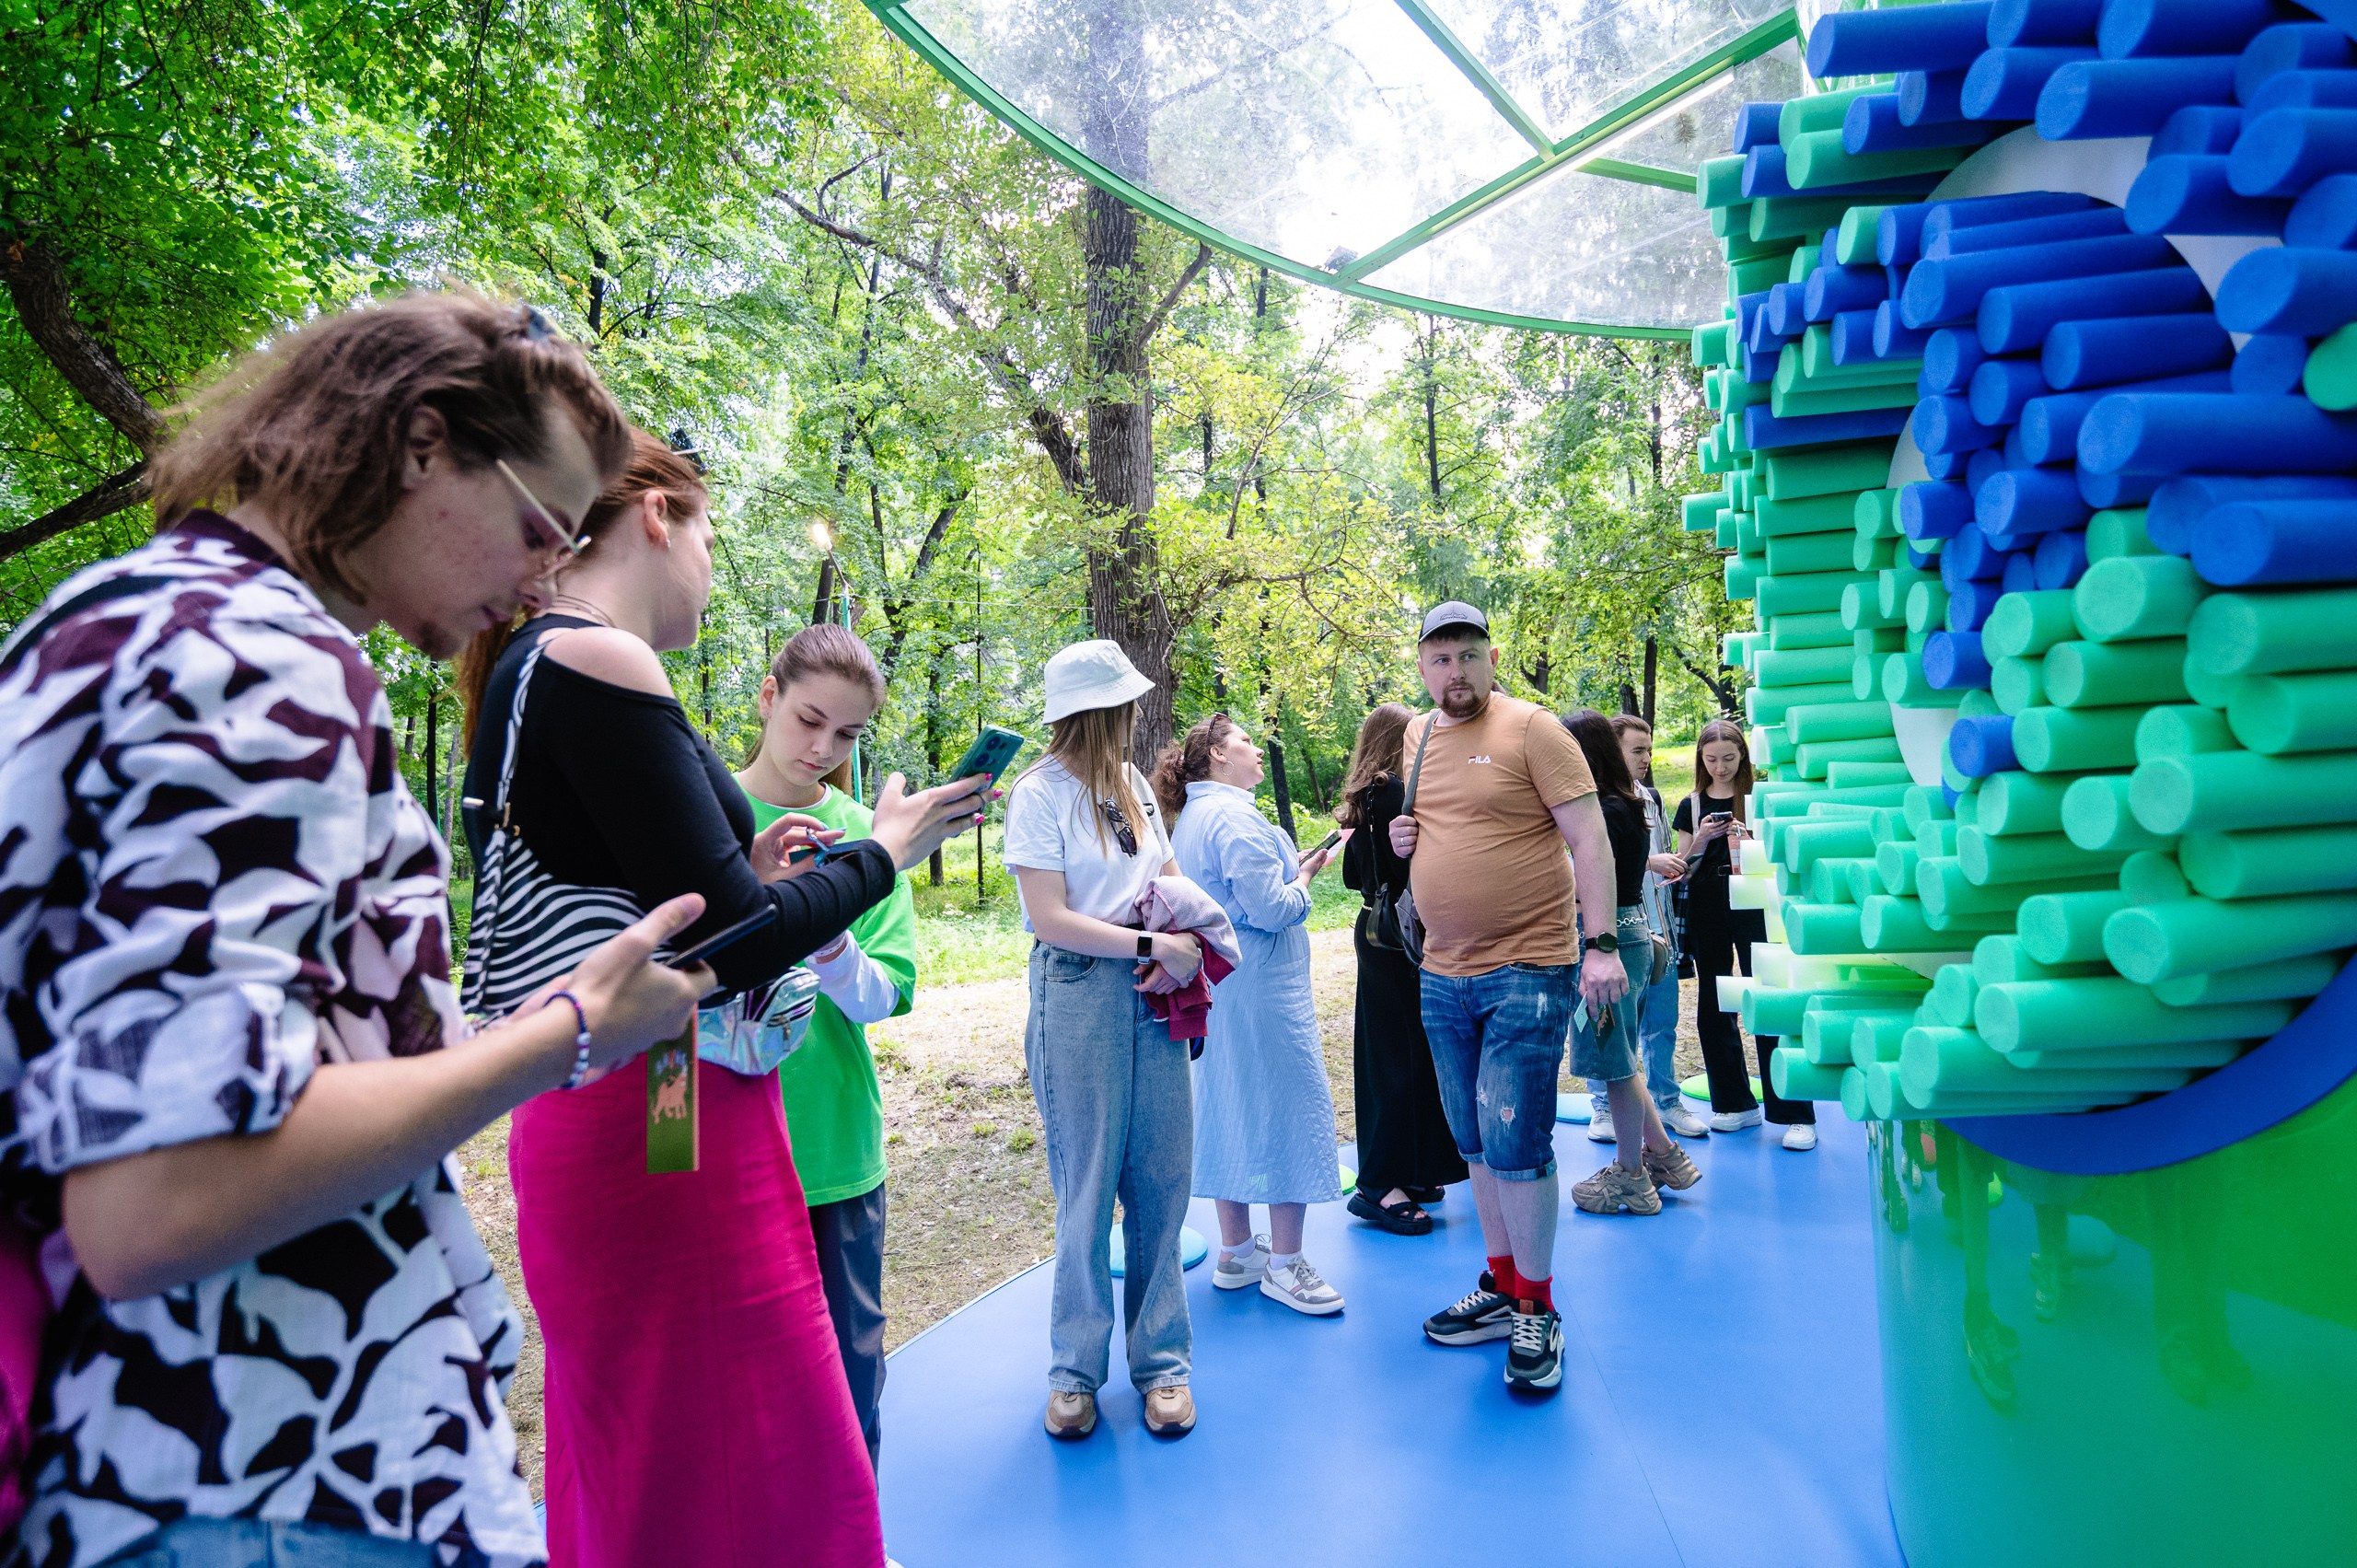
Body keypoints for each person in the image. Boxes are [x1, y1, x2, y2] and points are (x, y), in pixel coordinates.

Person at [0, 293, 715, 1568]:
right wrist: (571, 1029)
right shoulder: (261, 659)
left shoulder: (110, 618)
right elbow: (162, 1194)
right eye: (539, 527)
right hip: (264, 1468)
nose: (543, 575)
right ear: (425, 440)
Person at [457, 432, 986, 1568]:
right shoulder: (599, 658)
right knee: (737, 1458)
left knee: (676, 1455)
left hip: (652, 1099)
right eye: (708, 529)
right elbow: (739, 945)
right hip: (661, 1113)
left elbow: (687, 907)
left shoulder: (539, 663)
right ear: (658, 514)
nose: (709, 557)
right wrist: (883, 850)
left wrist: (777, 879)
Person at [1389, 602, 1626, 1394]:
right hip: (1441, 969)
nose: (1455, 672)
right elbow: (1430, 825)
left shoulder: (1534, 730)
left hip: (1531, 965)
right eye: (1440, 659)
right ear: (1423, 668)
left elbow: (1589, 838)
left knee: (1517, 1141)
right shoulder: (1416, 735)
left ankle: (1538, 1305)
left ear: (1492, 658)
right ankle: (1501, 1283)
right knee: (1475, 1141)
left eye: (1467, 655)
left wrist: (1601, 946)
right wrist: (1403, 838)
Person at [1004, 642, 1204, 1442]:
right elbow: (1048, 916)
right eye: (1121, 705)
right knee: (1086, 1184)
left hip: (1153, 982)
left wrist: (1178, 935)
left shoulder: (1130, 785)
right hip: (1081, 990)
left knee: (1162, 1173)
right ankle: (1074, 1371)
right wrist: (1150, 949)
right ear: (1095, 711)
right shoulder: (1038, 793)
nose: (1132, 714)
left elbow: (1168, 866)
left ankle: (1162, 1363)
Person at [734, 624, 920, 1474]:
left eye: (846, 734)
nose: (822, 748)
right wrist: (668, 1148)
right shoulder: (704, 816)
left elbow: (887, 995)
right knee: (739, 1389)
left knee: (849, 1379)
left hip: (834, 1151)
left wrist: (830, 940)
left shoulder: (865, 834)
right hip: (721, 1155)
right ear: (769, 698)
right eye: (810, 719)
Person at [1155, 714, 1348, 1316]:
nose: (1256, 750)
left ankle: (1237, 1250)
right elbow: (1269, 907)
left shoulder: (1191, 818)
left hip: (1221, 986)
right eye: (1243, 741)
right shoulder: (1233, 816)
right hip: (1264, 988)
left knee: (1230, 1105)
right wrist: (1306, 878)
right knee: (1290, 1109)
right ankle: (1287, 1263)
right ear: (1216, 754)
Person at [1556, 710, 1703, 1218]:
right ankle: (1663, 1155)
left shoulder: (1599, 810)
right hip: (1633, 937)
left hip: (1606, 941)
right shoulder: (1628, 803)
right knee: (1620, 1057)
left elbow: (1588, 882)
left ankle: (1631, 1175)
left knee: (1614, 1063)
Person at [1336, 703, 1466, 1235]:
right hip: (1400, 940)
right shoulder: (1393, 793)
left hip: (1378, 932)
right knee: (1396, 1058)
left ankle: (1405, 1171)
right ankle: (1378, 1184)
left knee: (1400, 1054)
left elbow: (1350, 876)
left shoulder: (1368, 794)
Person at [1674, 718, 1817, 1150]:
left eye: (1729, 759)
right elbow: (1680, 866)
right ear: (1701, 759)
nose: (1720, 767)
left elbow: (1785, 856)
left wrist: (1750, 834)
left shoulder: (1759, 798)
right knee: (1715, 1005)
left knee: (1773, 1002)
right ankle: (1734, 1104)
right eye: (1711, 759)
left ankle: (1796, 1114)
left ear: (1744, 757)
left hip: (1758, 906)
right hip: (1707, 906)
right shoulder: (1691, 804)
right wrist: (1700, 838)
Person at [1585, 715, 1711, 1142]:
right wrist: (1650, 864)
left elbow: (1664, 855)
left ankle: (1667, 1101)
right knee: (1609, 1029)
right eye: (1637, 750)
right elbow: (1589, 867)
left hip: (1656, 926)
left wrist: (1681, 858)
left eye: (1649, 749)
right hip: (1612, 932)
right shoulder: (1592, 803)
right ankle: (1603, 1107)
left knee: (1663, 1021)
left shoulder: (1649, 797)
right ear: (1610, 750)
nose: (1647, 758)